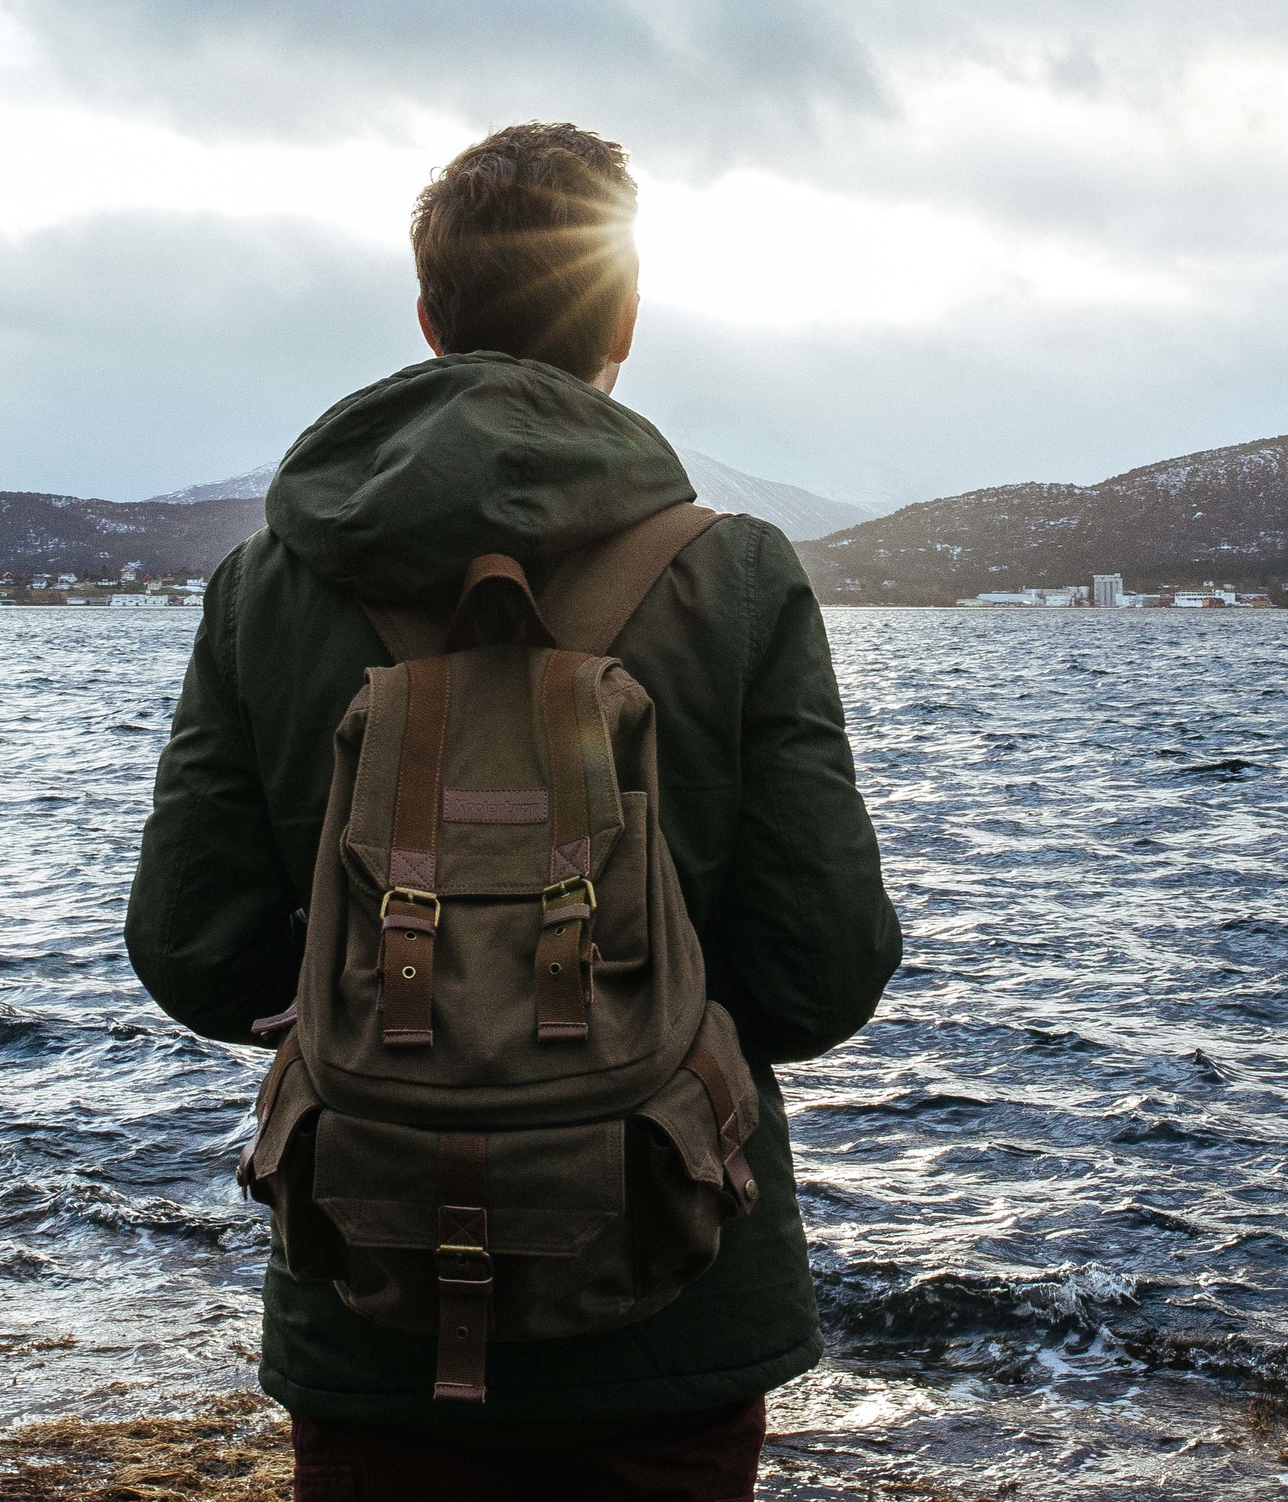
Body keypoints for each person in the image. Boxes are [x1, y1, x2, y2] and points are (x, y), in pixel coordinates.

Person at [128, 121, 899, 1502]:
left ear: (430, 319)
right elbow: (824, 968)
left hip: (369, 1280)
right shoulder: (735, 575)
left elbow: (189, 944)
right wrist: (637, 1026)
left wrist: (375, 1006)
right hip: (673, 1286)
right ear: (624, 319)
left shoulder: (267, 585)